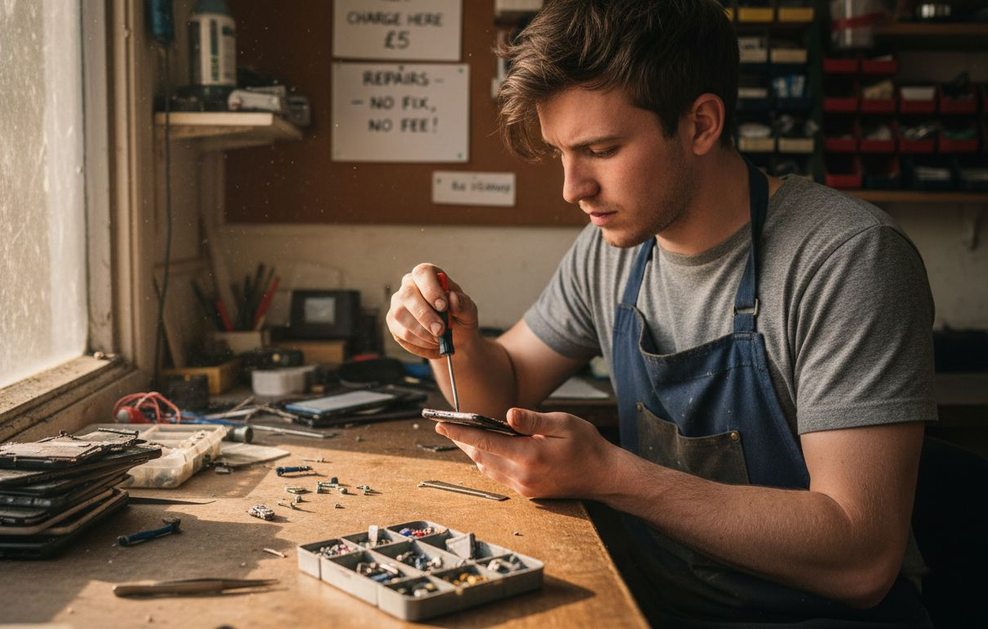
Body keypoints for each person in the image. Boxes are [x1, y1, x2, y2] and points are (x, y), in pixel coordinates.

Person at [385, 1, 937, 627]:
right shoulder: (611, 252)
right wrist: (451, 341)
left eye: (601, 148)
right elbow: (504, 388)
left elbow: (861, 558)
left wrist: (610, 475)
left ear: (701, 124)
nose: (573, 188)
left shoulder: (845, 259)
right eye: (560, 152)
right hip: (655, 608)